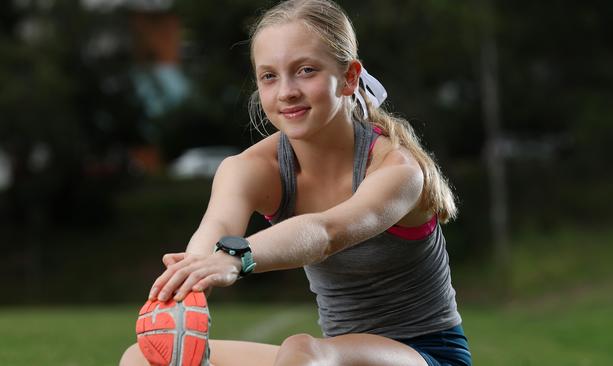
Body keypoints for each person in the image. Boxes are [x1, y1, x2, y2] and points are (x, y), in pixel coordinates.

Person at [120, 0, 471, 365]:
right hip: (330, 359)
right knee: (143, 359)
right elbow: (218, 228)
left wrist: (236, 258)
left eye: (305, 70)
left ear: (349, 77)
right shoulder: (251, 168)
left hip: (426, 356)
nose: (286, 91)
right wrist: (188, 281)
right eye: (269, 76)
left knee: (302, 352)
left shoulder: (398, 170)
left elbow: (326, 233)